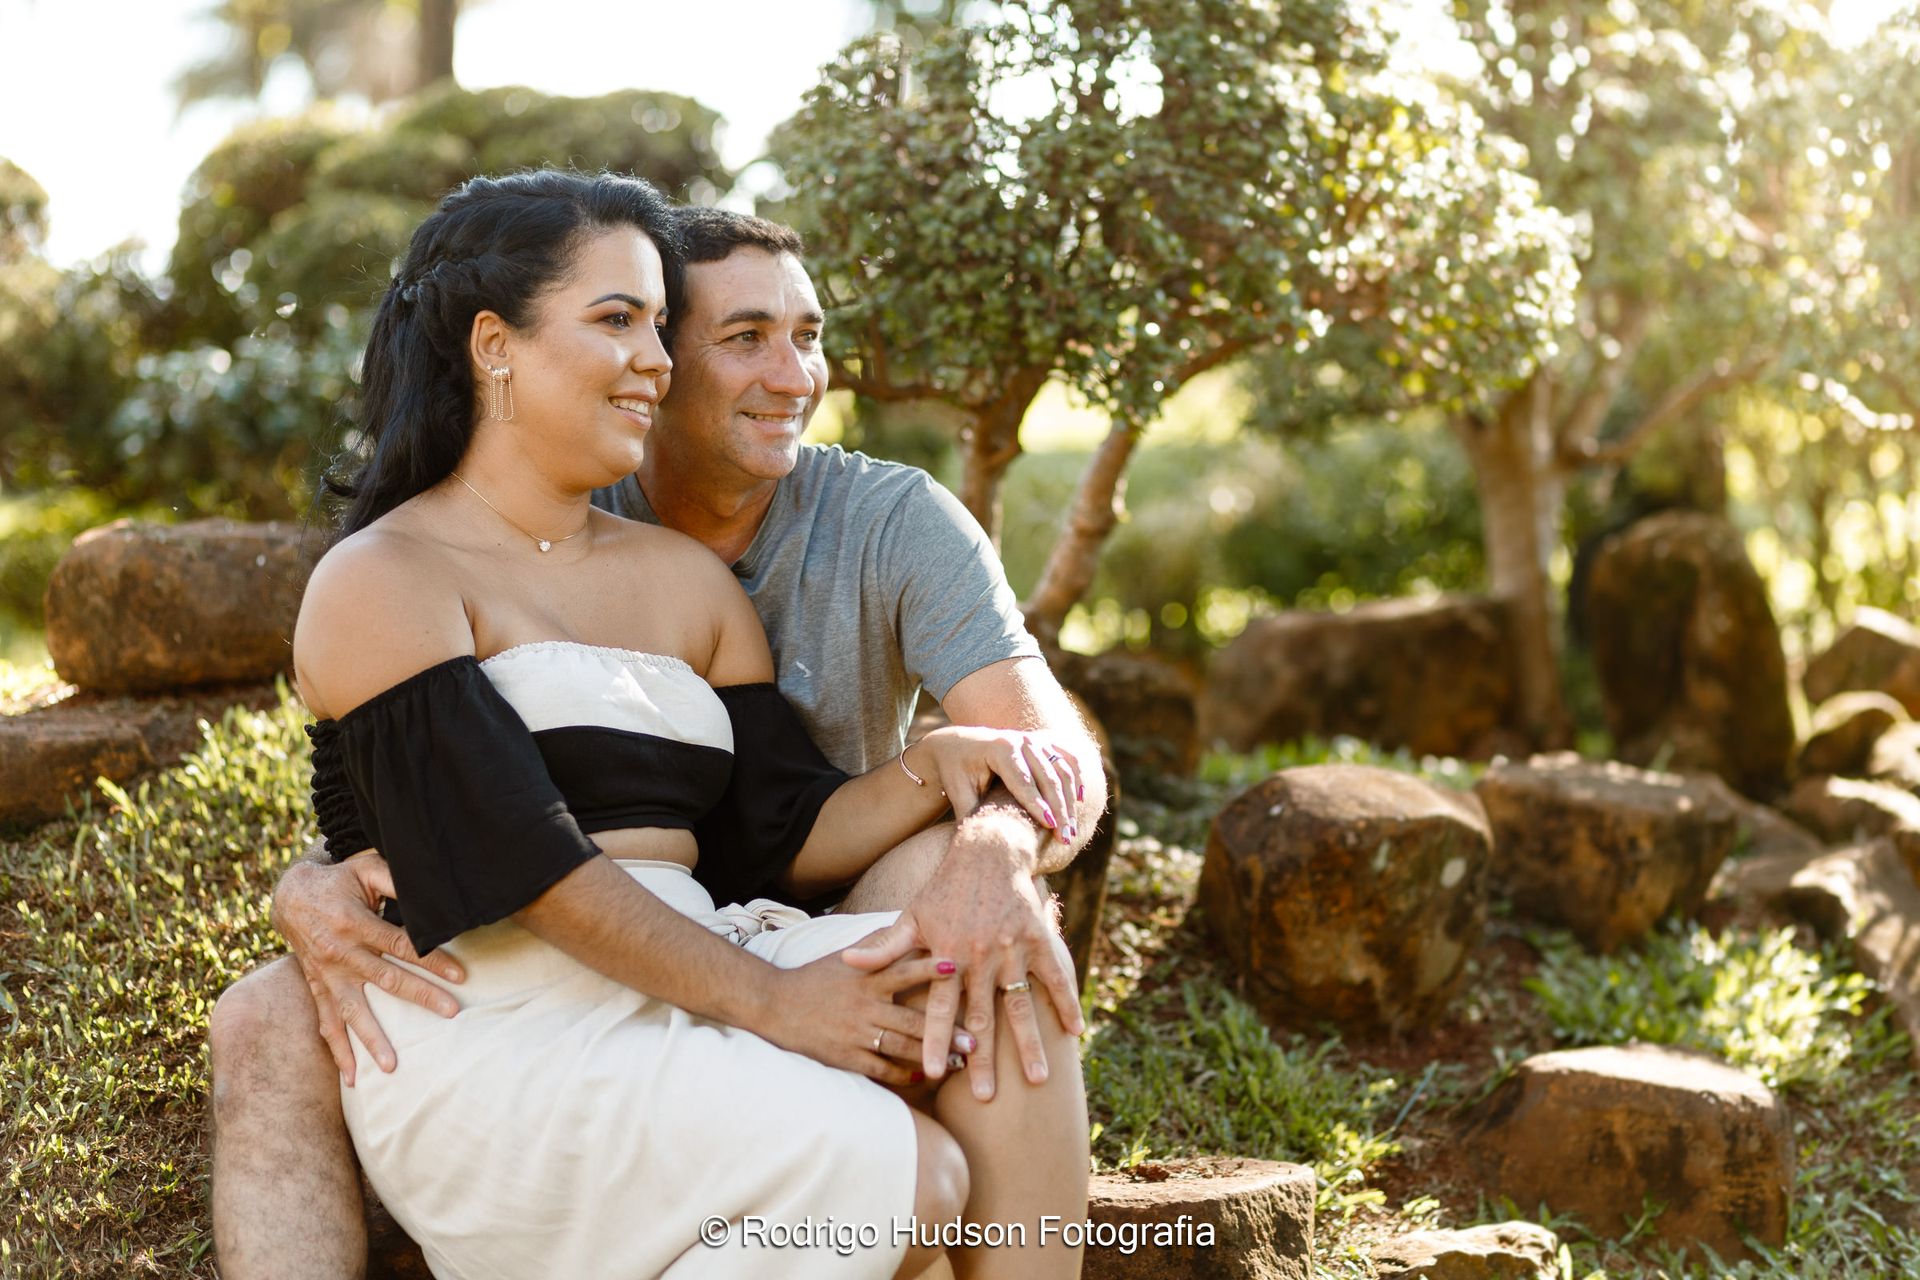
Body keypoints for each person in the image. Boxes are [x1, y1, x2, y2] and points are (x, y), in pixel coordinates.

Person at [210, 178, 1105, 1279]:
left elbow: (775, 829)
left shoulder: (686, 582)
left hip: (702, 956)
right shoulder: (384, 577)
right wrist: (778, 1005)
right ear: (495, 345)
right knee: (905, 1172)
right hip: (502, 1013)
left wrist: (938, 764)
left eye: (654, 324)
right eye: (617, 320)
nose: (654, 359)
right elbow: (520, 857)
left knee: (986, 989)